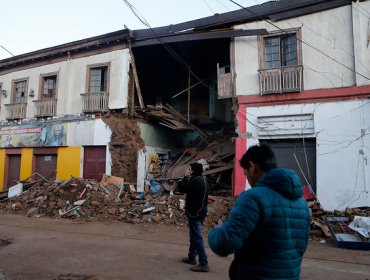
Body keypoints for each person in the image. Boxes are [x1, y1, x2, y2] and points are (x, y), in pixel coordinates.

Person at [208, 144, 310, 280]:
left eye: (246, 174)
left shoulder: (252, 198)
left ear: (252, 166)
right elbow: (299, 247)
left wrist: (217, 231)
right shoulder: (301, 204)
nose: (248, 180)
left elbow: (224, 244)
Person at [177, 162, 209, 272]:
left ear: (193, 171)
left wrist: (185, 177)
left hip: (195, 213)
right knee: (193, 236)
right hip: (199, 212)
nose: (188, 171)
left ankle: (203, 262)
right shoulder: (202, 179)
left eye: (190, 169)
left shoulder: (196, 181)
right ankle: (191, 257)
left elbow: (181, 188)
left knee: (197, 237)